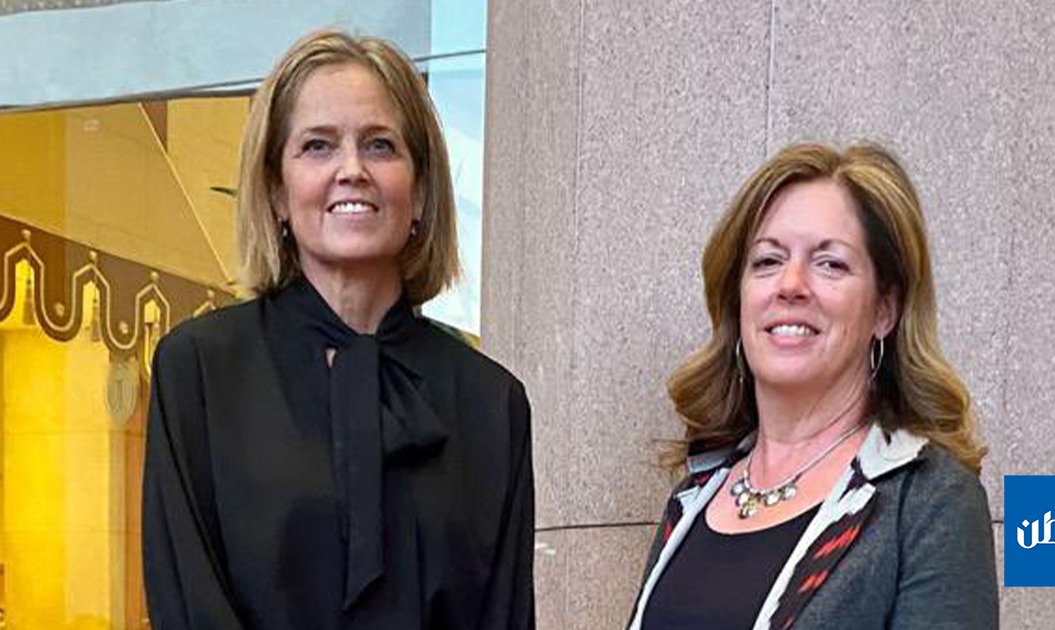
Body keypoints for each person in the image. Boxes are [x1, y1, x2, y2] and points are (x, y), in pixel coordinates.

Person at [142, 29, 534, 629]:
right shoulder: (199, 371)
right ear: (277, 191)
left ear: (420, 190)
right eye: (318, 146)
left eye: (380, 145)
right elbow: (188, 603)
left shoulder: (492, 403)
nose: (352, 169)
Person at [627, 142, 997, 629]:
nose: (791, 284)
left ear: (884, 310)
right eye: (767, 261)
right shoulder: (695, 494)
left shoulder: (929, 501)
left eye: (830, 264)